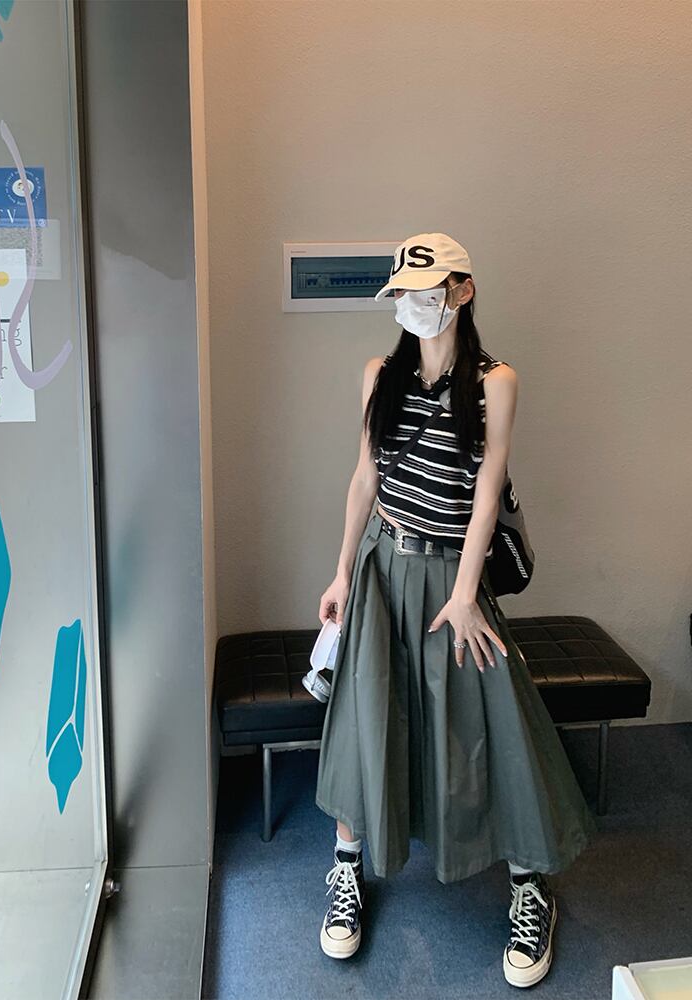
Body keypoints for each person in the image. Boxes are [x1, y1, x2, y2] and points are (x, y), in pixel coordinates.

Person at [314, 233, 598, 988]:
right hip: (383, 569)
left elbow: (486, 494)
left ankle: (531, 887)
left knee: (496, 725)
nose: (415, 304)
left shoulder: (496, 382)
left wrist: (467, 594)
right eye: (403, 293)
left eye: (428, 288)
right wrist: (341, 573)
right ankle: (347, 867)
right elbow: (364, 478)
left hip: (452, 578)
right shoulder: (379, 375)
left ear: (462, 290)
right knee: (367, 717)